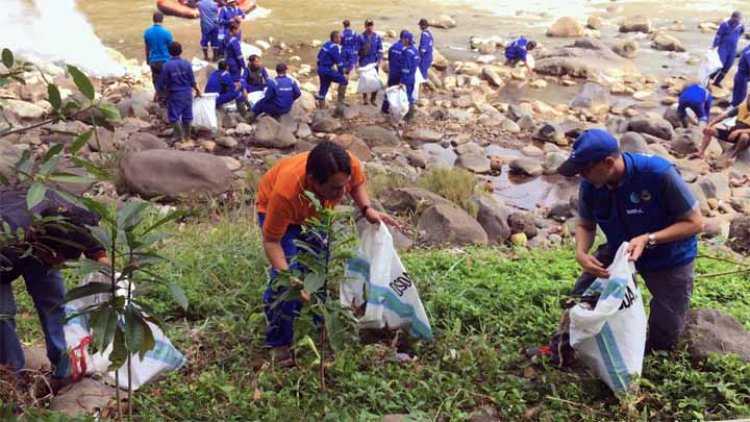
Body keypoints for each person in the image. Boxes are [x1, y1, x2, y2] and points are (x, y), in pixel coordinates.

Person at [526, 129, 702, 364]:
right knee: (584, 296)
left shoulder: (658, 174)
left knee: (665, 332)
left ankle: (642, 361)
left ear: (608, 162)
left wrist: (648, 238)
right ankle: (562, 350)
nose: (582, 176)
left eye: (585, 170)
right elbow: (586, 225)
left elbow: (695, 222)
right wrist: (581, 252)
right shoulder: (591, 184)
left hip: (670, 255)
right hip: (621, 249)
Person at [256, 141, 399, 364]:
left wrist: (367, 209)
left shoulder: (345, 163)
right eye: (335, 188)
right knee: (286, 285)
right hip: (279, 213)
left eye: (345, 185)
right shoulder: (285, 193)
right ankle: (280, 342)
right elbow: (271, 241)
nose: (343, 193)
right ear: (314, 182)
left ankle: (318, 324)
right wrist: (290, 278)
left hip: (315, 212)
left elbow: (357, 184)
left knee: (318, 269)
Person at [0, 187, 110, 381]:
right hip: (7, 246)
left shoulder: (71, 214)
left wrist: (106, 266)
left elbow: (89, 234)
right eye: (58, 261)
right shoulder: (6, 236)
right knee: (4, 315)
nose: (61, 266)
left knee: (55, 301)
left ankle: (65, 364)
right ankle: (12, 376)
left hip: (37, 236)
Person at [157, 42, 202, 141]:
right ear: (180, 51)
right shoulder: (187, 63)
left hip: (174, 94)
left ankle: (179, 136)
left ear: (169, 52)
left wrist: (158, 93)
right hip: (187, 94)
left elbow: (162, 83)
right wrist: (198, 90)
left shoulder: (167, 66)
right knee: (187, 116)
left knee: (174, 116)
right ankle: (188, 137)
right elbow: (192, 80)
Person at [694, 93, 750, 164]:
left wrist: (739, 131)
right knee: (709, 130)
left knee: (744, 136)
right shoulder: (742, 107)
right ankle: (701, 152)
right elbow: (724, 116)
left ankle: (733, 155)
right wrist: (710, 124)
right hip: (733, 131)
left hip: (746, 135)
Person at [143, 12, 174, 104]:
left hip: (154, 60)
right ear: (162, 20)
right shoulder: (167, 32)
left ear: (153, 20)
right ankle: (166, 99)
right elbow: (172, 47)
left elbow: (147, 48)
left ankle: (160, 98)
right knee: (167, 79)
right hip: (165, 60)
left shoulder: (147, 32)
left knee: (156, 80)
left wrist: (148, 59)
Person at [315, 30, 349, 111]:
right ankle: (340, 102)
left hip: (321, 69)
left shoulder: (326, 44)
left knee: (323, 88)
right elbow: (339, 62)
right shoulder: (334, 47)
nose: (341, 39)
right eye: (339, 37)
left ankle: (321, 109)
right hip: (327, 70)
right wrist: (343, 72)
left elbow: (319, 56)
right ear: (335, 38)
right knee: (344, 80)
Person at [710, 11, 745, 88]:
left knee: (727, 66)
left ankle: (717, 82)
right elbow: (718, 35)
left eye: (739, 19)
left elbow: (742, 32)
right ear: (733, 17)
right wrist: (714, 45)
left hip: (733, 49)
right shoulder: (724, 25)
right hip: (723, 48)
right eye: (737, 19)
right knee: (720, 64)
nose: (738, 20)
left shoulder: (740, 26)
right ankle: (710, 77)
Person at [357, 19, 383, 106]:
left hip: (373, 62)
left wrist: (379, 60)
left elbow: (380, 50)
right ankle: (365, 98)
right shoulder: (360, 37)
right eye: (368, 25)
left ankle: (373, 99)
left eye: (371, 25)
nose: (370, 27)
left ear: (373, 26)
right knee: (364, 80)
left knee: (375, 81)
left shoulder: (377, 37)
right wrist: (356, 62)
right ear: (365, 26)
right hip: (364, 62)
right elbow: (356, 51)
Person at [380, 30, 406, 114]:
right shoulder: (405, 48)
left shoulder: (393, 46)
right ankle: (398, 109)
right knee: (401, 92)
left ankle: (385, 107)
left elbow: (389, 58)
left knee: (390, 90)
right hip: (400, 73)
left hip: (392, 72)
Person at [399, 31, 420, 121]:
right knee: (410, 94)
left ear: (407, 40)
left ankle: (408, 115)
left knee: (406, 96)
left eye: (403, 39)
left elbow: (405, 68)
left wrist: (402, 81)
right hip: (413, 76)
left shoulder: (407, 52)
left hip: (407, 77)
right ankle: (411, 112)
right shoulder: (415, 51)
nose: (402, 41)